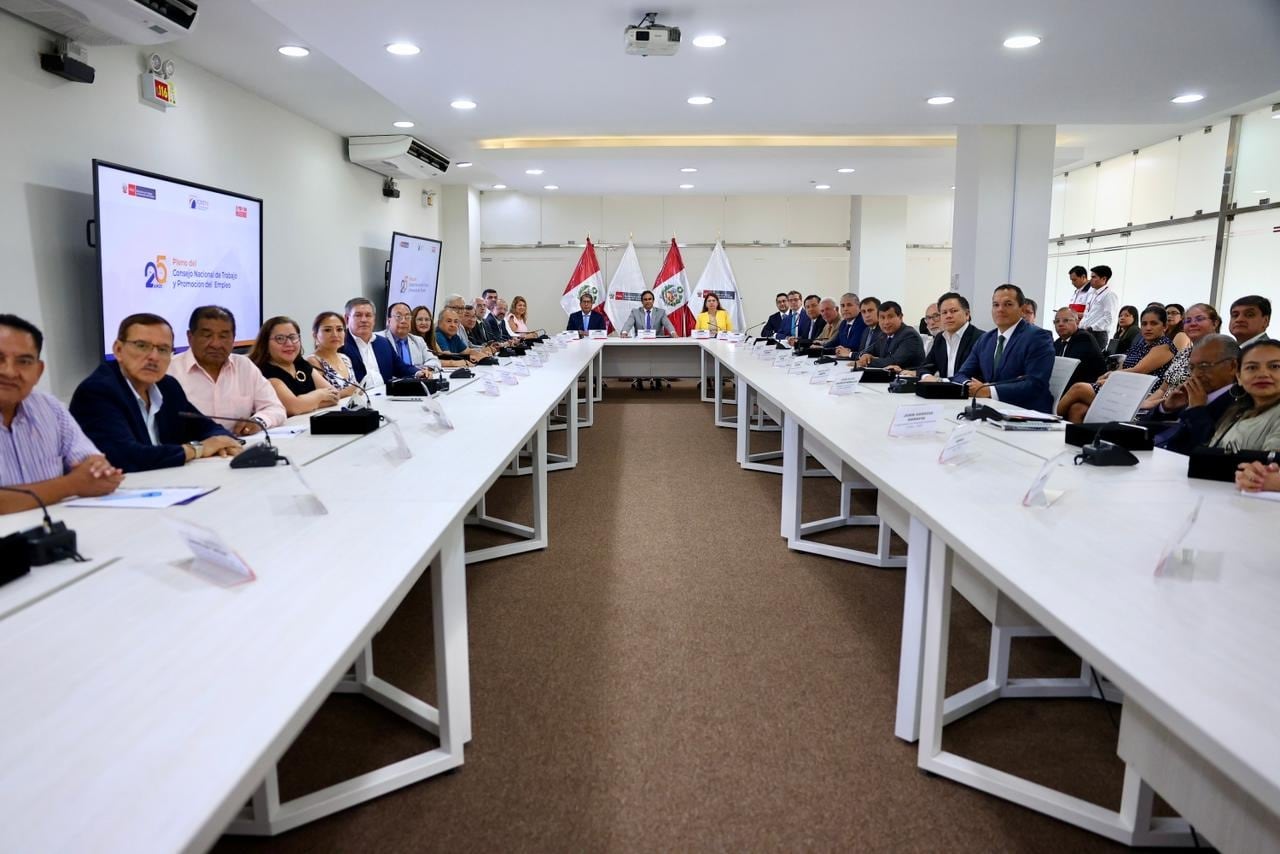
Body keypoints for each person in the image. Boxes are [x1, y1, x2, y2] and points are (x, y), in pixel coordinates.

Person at [70, 313, 240, 472]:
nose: (153, 357)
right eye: (142, 346)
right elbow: (124, 457)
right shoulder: (98, 392)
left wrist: (221, 442)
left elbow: (207, 428)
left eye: (163, 349)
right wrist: (198, 449)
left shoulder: (168, 387)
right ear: (118, 350)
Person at [0, 314, 123, 514]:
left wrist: (99, 470)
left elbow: (89, 461)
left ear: (38, 372)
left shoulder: (50, 408)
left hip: (54, 530)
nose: (10, 372)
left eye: (23, 361)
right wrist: (71, 485)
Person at [168, 305, 286, 435]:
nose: (216, 344)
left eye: (224, 336)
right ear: (190, 337)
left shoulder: (244, 366)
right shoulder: (170, 371)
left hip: (238, 447)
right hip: (192, 451)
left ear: (233, 338)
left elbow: (275, 408)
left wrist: (258, 421)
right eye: (207, 335)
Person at [1057, 305, 1177, 424]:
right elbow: (1123, 367)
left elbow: (1139, 371)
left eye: (1154, 323)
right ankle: (1074, 441)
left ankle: (1049, 418)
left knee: (1079, 388)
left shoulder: (1164, 346)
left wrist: (1110, 378)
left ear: (1165, 326)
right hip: (1123, 388)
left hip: (1140, 395)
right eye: (1144, 324)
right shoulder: (1140, 344)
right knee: (1077, 408)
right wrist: (1110, 376)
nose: (1148, 328)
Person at [950, 284, 1056, 413]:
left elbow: (1035, 384)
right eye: (996, 305)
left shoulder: (1038, 337)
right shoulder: (985, 339)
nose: (1000, 309)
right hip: (991, 408)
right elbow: (961, 374)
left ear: (1022, 310)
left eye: (1008, 304)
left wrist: (989, 391)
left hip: (1027, 412)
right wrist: (970, 387)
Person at [1151, 335, 1241, 453]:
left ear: (1232, 366)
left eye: (1204, 366)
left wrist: (1197, 410)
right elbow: (1147, 429)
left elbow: (1212, 447)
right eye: (1192, 367)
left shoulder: (1241, 402)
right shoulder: (1189, 394)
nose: (1195, 374)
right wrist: (1166, 408)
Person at [249, 317, 340, 417]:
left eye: (293, 337)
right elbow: (294, 408)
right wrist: (320, 395)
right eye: (280, 338)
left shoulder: (301, 364)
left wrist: (305, 404)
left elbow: (334, 395)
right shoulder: (265, 373)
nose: (289, 344)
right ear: (265, 344)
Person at [1139, 303, 1220, 412]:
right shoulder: (1184, 353)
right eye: (1188, 320)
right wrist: (1143, 405)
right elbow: (1163, 389)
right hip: (1161, 409)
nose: (1193, 324)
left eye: (1199, 319)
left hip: (1185, 415)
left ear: (1215, 323)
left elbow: (1190, 399)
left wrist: (1153, 405)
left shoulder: (1219, 354)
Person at [1203, 339, 1280, 451]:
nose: (1263, 374)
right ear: (1239, 377)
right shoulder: (1236, 413)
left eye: (1275, 366)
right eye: (1252, 367)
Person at [340, 297, 411, 388]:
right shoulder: (340, 344)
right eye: (358, 315)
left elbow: (401, 368)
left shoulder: (383, 343)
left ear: (374, 319)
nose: (364, 320)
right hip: (357, 399)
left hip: (385, 397)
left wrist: (418, 373)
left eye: (368, 315)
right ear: (346, 319)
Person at [910, 292, 982, 379]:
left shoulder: (980, 338)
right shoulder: (940, 338)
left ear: (967, 314)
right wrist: (927, 376)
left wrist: (941, 382)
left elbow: (976, 376)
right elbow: (926, 367)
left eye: (953, 311)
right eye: (944, 312)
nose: (948, 316)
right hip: (943, 391)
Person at [306, 311, 360, 399]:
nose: (335, 334)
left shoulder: (345, 358)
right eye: (327, 330)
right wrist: (350, 391)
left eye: (339, 329)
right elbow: (325, 397)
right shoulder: (313, 361)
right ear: (315, 335)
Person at [855, 301, 924, 369]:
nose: (886, 322)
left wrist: (866, 362)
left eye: (890, 317)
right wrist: (865, 356)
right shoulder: (883, 335)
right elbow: (868, 351)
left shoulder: (909, 335)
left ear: (900, 317)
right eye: (882, 317)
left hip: (908, 377)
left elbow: (894, 361)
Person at [1051, 306, 1107, 386]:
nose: (1060, 324)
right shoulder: (1058, 342)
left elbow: (1069, 370)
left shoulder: (1084, 338)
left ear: (1077, 322)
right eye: (1056, 321)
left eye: (1066, 320)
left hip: (1088, 386)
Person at [381, 301, 439, 375]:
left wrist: (423, 370)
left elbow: (434, 360)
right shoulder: (380, 339)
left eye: (407, 317)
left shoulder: (418, 340)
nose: (403, 321)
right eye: (399, 317)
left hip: (416, 382)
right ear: (388, 321)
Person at [1079, 264, 1121, 349]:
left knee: (1092, 361)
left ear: (1104, 279)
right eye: (1091, 277)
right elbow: (1089, 315)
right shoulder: (1092, 294)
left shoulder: (1109, 295)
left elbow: (1109, 318)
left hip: (1097, 334)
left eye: (1094, 277)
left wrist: (1091, 328)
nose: (1091, 280)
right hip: (1085, 332)